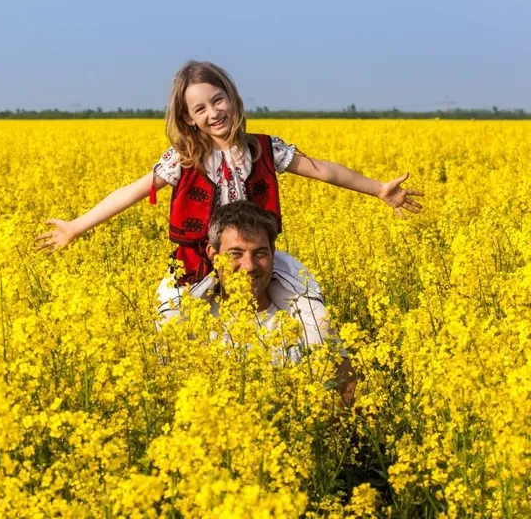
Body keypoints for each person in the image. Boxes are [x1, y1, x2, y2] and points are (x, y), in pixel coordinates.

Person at [35, 60, 423, 312]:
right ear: (188, 119)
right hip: (198, 264)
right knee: (171, 328)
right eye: (200, 109)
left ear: (232, 99)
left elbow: (323, 170)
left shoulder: (264, 148)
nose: (213, 112)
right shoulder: (184, 159)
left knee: (311, 311)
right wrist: (75, 226)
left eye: (217, 100)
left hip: (254, 256)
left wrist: (377, 189)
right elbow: (132, 192)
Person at [160, 200, 355, 404]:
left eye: (260, 253)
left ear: (273, 252)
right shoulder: (188, 325)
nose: (248, 266)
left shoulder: (307, 321)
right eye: (235, 254)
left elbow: (346, 392)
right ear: (213, 255)